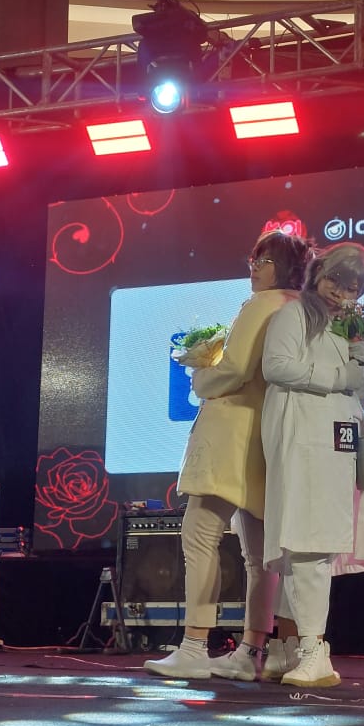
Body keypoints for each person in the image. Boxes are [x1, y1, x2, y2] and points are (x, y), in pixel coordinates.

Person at [144, 230, 312, 680]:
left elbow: (235, 369)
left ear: (283, 267)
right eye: (253, 260)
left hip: (229, 436)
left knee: (199, 536)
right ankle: (251, 651)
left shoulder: (261, 304)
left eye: (263, 261)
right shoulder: (298, 308)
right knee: (259, 557)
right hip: (264, 439)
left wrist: (200, 377)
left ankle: (194, 646)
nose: (253, 268)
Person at [260, 241, 364, 687]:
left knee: (311, 545)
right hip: (305, 437)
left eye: (353, 287)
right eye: (336, 280)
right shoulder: (295, 314)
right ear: (318, 273)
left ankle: (300, 650)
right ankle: (307, 651)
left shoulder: (351, 328)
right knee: (305, 545)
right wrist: (340, 377)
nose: (341, 292)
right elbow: (276, 366)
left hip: (338, 440)